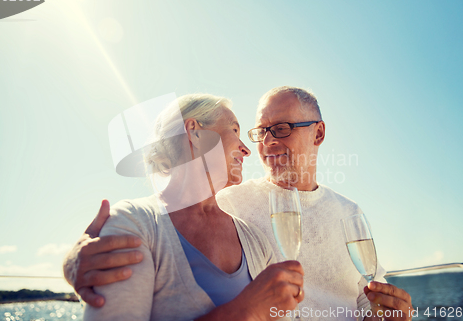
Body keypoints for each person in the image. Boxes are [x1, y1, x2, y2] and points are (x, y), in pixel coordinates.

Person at [64, 87, 413, 321]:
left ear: (318, 133)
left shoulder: (348, 213)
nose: (263, 144)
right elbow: (153, 218)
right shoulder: (227, 200)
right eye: (259, 132)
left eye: (283, 128)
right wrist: (73, 261)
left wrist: (388, 311)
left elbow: (367, 295)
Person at [71, 93, 305, 321]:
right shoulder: (133, 223)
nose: (246, 149)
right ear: (195, 132)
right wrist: (245, 312)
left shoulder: (256, 242)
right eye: (234, 130)